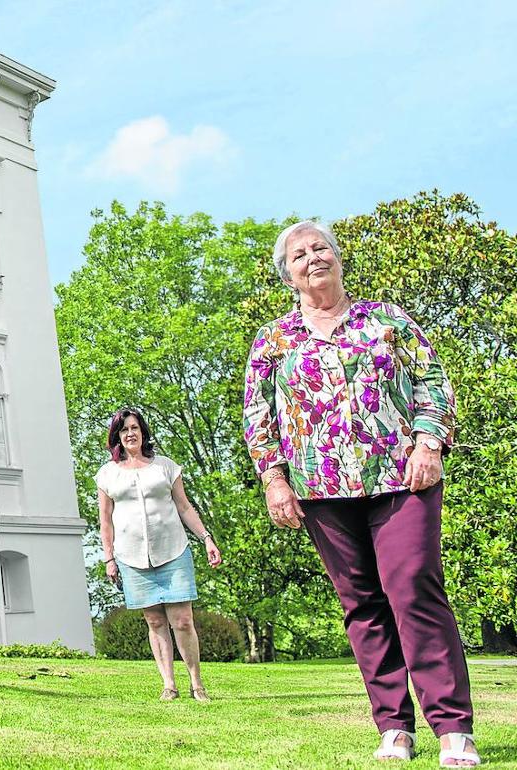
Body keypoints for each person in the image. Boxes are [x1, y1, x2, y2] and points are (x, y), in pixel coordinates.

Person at [243, 220, 479, 767]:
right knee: (361, 604)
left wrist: (429, 444)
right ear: (289, 275)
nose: (313, 257)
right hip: (322, 488)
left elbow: (434, 383)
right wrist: (274, 478)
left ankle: (453, 729)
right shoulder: (274, 340)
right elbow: (259, 415)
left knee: (413, 585)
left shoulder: (387, 319)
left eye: (320, 247)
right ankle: (394, 727)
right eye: (299, 254)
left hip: (403, 475)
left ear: (338, 258)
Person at [96, 408, 222, 702]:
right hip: (132, 558)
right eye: (124, 429)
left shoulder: (165, 467)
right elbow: (105, 521)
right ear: (117, 436)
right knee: (154, 622)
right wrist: (109, 558)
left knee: (183, 621)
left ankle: (196, 683)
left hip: (173, 551)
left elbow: (185, 507)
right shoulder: (107, 474)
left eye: (135, 428)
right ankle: (169, 684)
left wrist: (207, 539)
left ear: (143, 432)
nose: (131, 434)